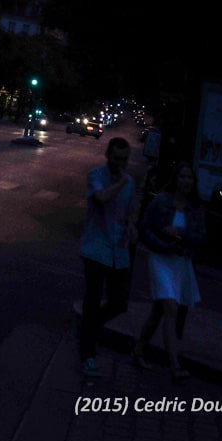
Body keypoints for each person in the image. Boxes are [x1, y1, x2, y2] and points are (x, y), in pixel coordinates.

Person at [132, 161, 206, 381]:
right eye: (182, 177)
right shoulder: (161, 201)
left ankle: (138, 350)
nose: (186, 181)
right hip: (161, 259)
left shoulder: (195, 207)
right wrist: (162, 243)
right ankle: (174, 366)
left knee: (159, 310)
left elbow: (201, 237)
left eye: (189, 178)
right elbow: (145, 228)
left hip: (180, 261)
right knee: (170, 308)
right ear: (176, 179)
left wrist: (180, 234)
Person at [78, 136, 138, 378]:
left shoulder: (129, 182)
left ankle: (87, 329)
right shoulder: (96, 175)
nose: (119, 164)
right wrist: (121, 183)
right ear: (107, 155)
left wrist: (132, 226)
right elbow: (101, 198)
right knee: (92, 300)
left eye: (123, 160)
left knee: (119, 302)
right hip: (95, 248)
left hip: (118, 251)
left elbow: (128, 212)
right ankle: (88, 354)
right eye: (115, 159)